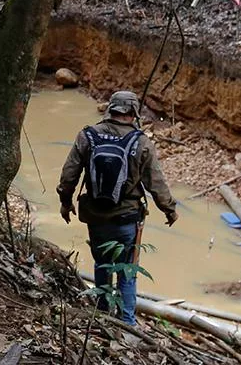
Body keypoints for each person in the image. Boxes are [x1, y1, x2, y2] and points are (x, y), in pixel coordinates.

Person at [56, 90, 178, 325]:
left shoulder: (88, 136)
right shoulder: (141, 142)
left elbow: (69, 173)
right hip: (127, 219)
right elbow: (156, 182)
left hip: (96, 216)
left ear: (110, 109)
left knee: (102, 265)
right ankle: (128, 324)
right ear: (133, 113)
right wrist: (169, 209)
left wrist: (65, 203)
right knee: (127, 273)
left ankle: (102, 315)